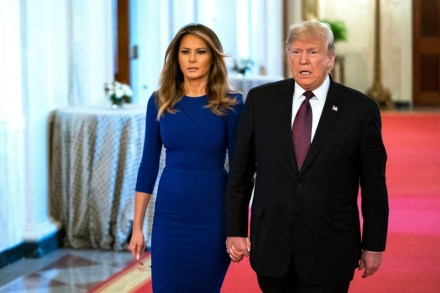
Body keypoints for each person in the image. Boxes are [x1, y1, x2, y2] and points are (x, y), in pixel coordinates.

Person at [225, 20, 389, 293]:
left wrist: (373, 244)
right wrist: (236, 229)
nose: (303, 59)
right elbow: (240, 171)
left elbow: (374, 185)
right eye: (296, 51)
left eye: (313, 52)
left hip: (331, 248)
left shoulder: (360, 109)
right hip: (272, 246)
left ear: (330, 59)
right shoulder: (260, 101)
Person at [128, 23, 243, 292]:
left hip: (212, 217)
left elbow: (240, 169)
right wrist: (137, 228)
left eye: (200, 52)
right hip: (169, 217)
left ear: (213, 57)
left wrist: (238, 228)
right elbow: (148, 166)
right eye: (185, 51)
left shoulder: (232, 103)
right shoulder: (159, 101)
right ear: (176, 57)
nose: (191, 59)